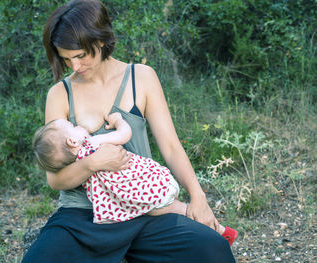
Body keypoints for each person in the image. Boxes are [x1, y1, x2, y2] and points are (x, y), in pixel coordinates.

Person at [22, 0, 237, 262]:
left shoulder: (141, 77)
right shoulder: (59, 94)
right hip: (82, 217)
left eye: (80, 55)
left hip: (143, 211)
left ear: (100, 40)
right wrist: (92, 163)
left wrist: (197, 197)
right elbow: (55, 180)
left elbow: (170, 146)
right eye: (66, 59)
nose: (75, 66)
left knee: (211, 249)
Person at [32, 112, 238, 245]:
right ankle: (219, 230)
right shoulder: (94, 144)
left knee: (172, 209)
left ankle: (216, 231)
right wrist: (119, 121)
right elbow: (124, 135)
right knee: (178, 208)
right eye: (71, 125)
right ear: (72, 140)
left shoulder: (79, 164)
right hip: (141, 186)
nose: (76, 124)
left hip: (127, 201)